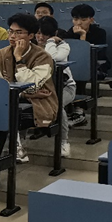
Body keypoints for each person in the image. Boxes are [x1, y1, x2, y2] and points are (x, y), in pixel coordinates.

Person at [0, 14, 58, 164]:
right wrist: (25, 95)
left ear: (31, 35)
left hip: (40, 104)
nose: (12, 36)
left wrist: (19, 59)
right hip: (12, 101)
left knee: (7, 112)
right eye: (10, 31)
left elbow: (32, 86)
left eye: (18, 32)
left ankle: (11, 151)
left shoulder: (43, 57)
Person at [36, 16, 76, 158]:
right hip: (42, 88)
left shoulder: (63, 46)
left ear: (53, 34)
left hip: (65, 87)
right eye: (38, 33)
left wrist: (51, 42)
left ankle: (64, 142)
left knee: (57, 105)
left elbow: (52, 58)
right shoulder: (31, 47)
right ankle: (18, 143)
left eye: (45, 34)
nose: (41, 37)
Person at [65, 3, 109, 86]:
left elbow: (98, 55)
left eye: (83, 20)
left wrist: (83, 36)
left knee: (80, 70)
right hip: (74, 65)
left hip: (96, 65)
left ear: (91, 20)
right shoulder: (70, 32)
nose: (79, 23)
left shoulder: (100, 33)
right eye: (75, 19)